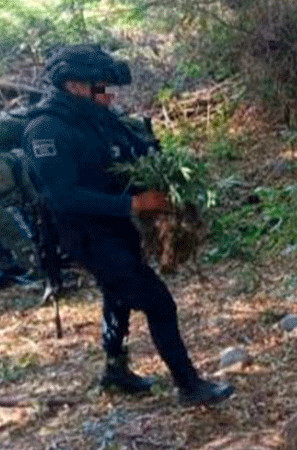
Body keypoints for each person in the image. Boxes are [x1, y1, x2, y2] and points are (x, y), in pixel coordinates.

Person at [22, 44, 233, 406]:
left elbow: (137, 152)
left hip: (117, 226)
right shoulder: (46, 130)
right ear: (75, 85)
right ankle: (189, 386)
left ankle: (115, 371)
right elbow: (64, 197)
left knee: (116, 294)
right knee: (159, 303)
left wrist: (166, 180)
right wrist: (133, 203)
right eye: (101, 86)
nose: (108, 94)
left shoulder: (99, 117)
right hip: (84, 234)